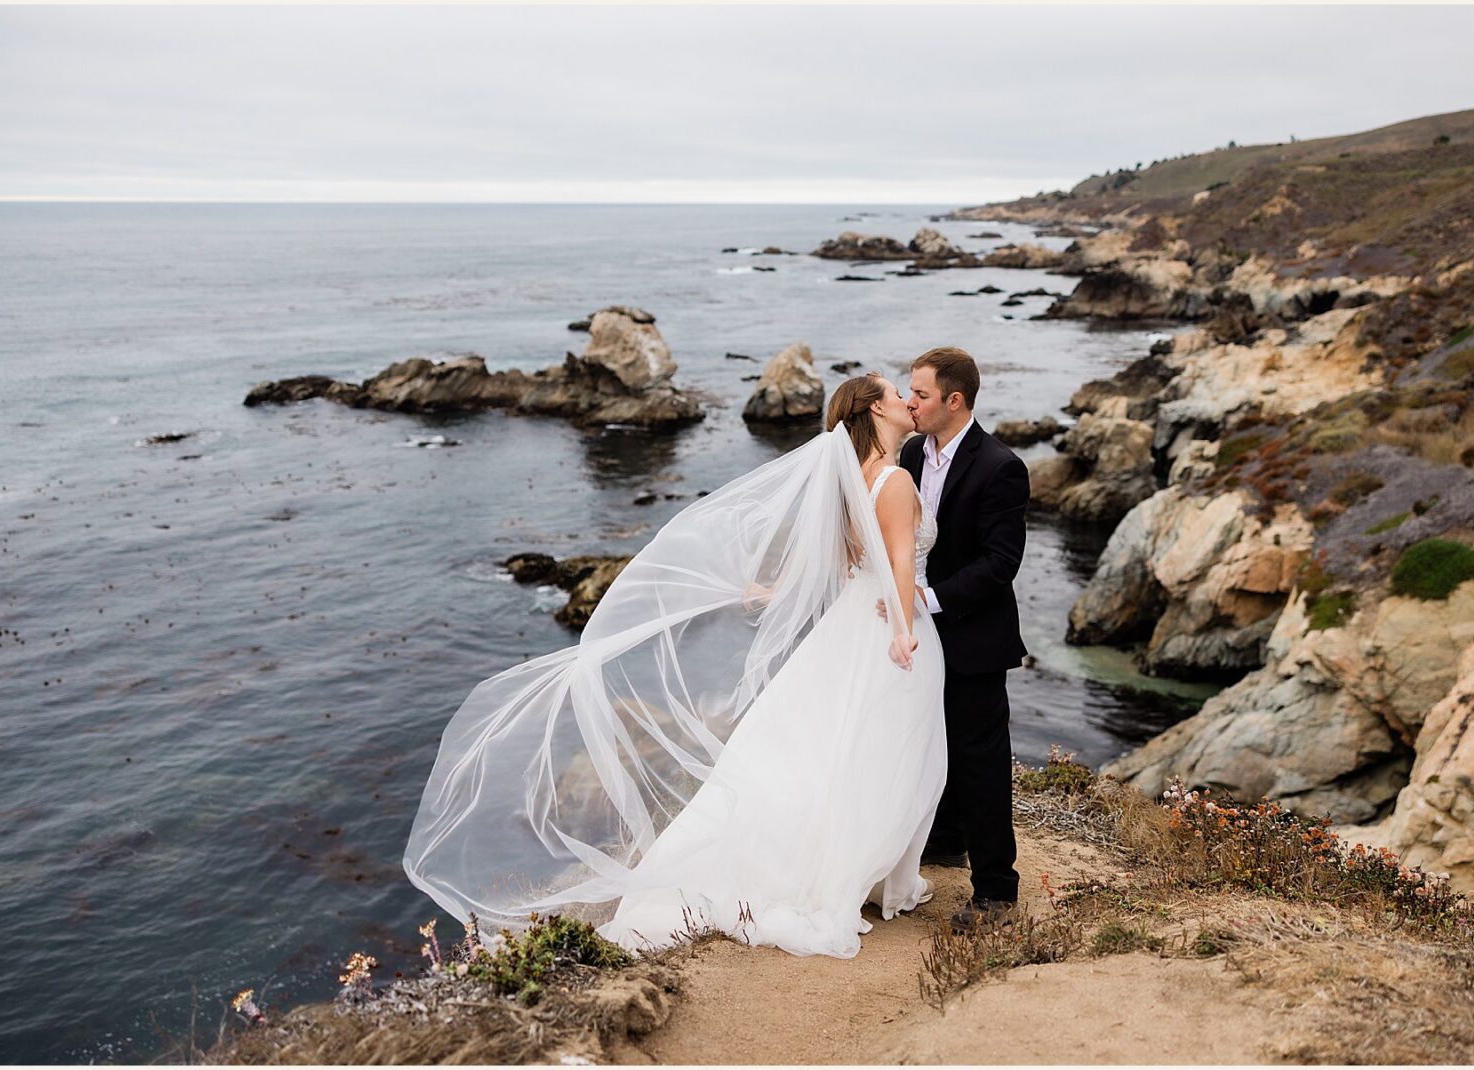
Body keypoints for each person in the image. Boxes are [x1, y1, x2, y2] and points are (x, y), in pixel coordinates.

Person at [403, 373, 947, 959]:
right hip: (882, 632)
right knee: (886, 752)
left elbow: (837, 565)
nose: (907, 401)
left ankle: (840, 869)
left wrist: (778, 591)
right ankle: (847, 877)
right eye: (897, 394)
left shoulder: (847, 481)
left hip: (847, 627)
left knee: (832, 752)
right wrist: (900, 632)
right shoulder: (891, 481)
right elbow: (897, 566)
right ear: (873, 409)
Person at [895, 346, 1030, 932]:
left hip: (972, 635)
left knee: (981, 759)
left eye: (919, 394)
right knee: (929, 738)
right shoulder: (909, 452)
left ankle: (997, 890)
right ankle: (946, 840)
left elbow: (1002, 563)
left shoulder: (1001, 466)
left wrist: (928, 597)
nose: (909, 402)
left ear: (955, 400)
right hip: (917, 630)